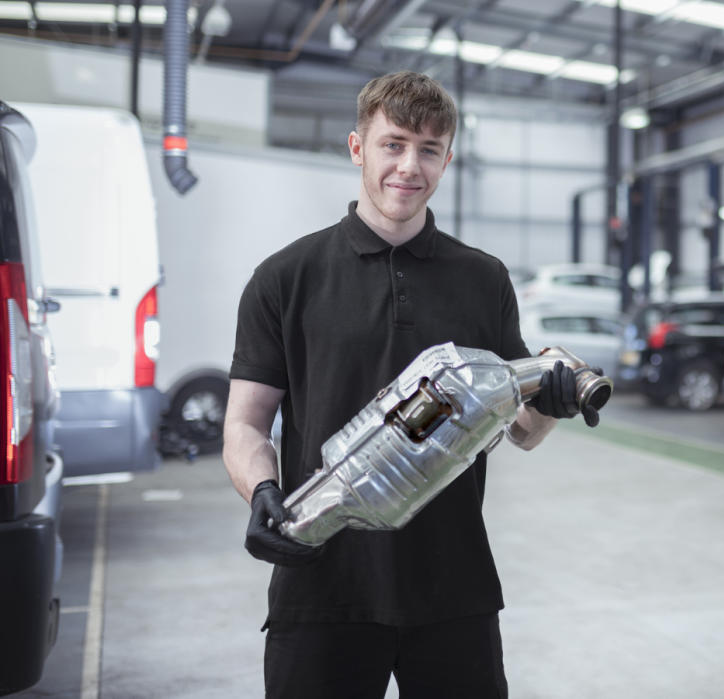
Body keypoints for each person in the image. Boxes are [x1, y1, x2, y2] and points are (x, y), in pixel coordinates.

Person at [221, 71, 595, 698]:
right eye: (393, 143)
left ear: (448, 158)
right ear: (357, 147)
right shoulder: (286, 277)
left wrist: (551, 405)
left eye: (429, 149)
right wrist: (260, 489)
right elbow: (245, 423)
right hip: (323, 582)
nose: (409, 166)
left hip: (453, 586)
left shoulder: (483, 279)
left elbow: (523, 430)